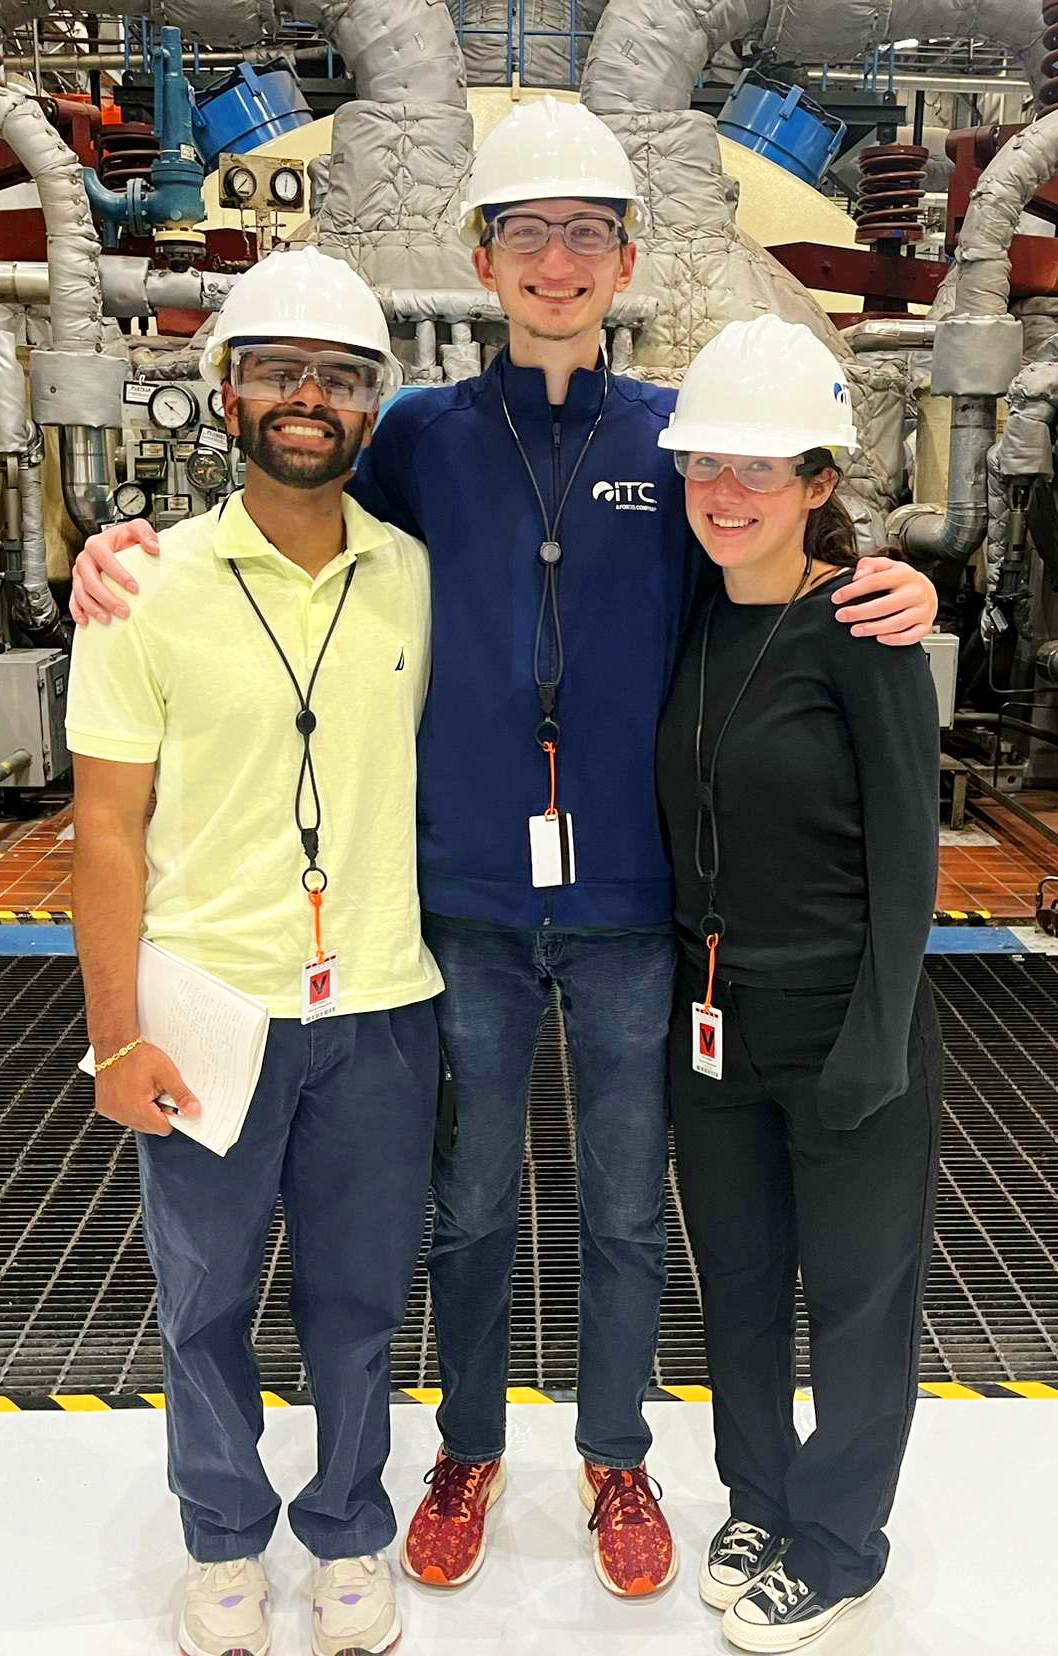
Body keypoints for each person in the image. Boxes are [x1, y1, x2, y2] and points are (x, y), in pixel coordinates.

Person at [71, 97, 939, 1604]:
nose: (555, 261)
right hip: (456, 910)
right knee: (464, 1210)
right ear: (479, 257)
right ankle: (466, 1446)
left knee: (619, 1206)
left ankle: (615, 1455)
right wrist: (117, 550)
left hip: (624, 919)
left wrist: (899, 583)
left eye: (584, 234)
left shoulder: (678, 442)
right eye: (525, 233)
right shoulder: (414, 439)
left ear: (624, 259)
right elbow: (284, 513)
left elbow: (776, 556)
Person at [67, 245, 443, 1656]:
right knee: (205, 1299)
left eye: (340, 379)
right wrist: (116, 1038)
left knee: (356, 1302)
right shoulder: (142, 586)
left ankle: (349, 1531)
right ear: (225, 395)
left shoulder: (412, 576)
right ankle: (224, 1539)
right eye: (280, 371)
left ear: (371, 411)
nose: (308, 398)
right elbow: (106, 831)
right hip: (208, 1004)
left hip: (383, 1012)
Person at [655, 315, 943, 1652]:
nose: (722, 492)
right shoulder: (694, 618)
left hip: (843, 1028)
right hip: (711, 1035)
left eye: (759, 469)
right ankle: (758, 1501)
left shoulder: (864, 629)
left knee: (856, 1298)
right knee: (741, 1284)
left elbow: (905, 852)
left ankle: (837, 1540)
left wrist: (875, 1038)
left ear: (819, 486)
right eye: (703, 462)